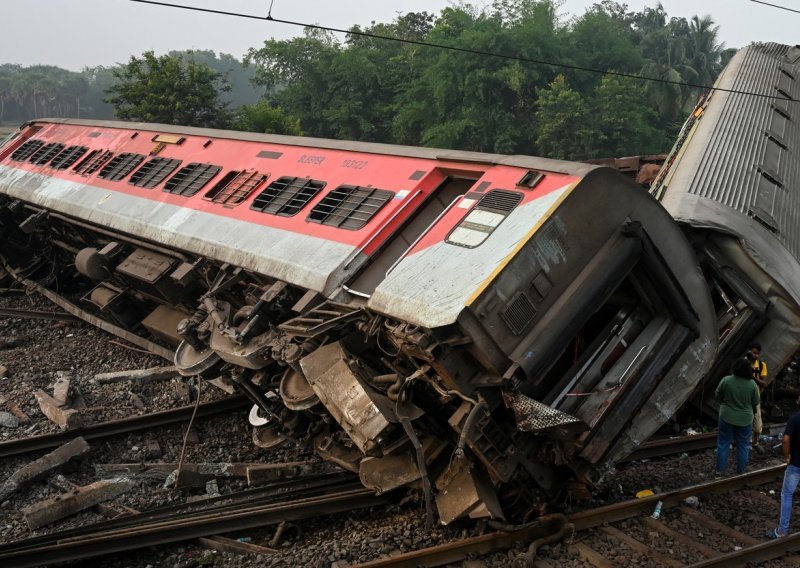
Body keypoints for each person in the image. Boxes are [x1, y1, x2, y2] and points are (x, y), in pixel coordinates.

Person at [715, 357, 760, 477]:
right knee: (743, 446)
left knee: (723, 444)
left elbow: (717, 395)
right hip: (745, 419)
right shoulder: (752, 384)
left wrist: (724, 403)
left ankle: (719, 472)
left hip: (726, 416)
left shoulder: (727, 380)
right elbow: (756, 401)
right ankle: (741, 472)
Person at [767, 396, 800, 538]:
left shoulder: (794, 419)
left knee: (787, 495)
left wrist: (787, 456)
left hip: (796, 464)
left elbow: (785, 439)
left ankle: (782, 531)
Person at [747, 341, 769, 449]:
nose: (755, 355)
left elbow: (764, 383)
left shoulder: (761, 365)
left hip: (755, 399)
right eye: (754, 353)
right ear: (748, 351)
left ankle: (754, 442)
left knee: (757, 428)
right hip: (743, 399)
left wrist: (753, 377)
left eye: (757, 354)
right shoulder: (742, 364)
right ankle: (745, 444)